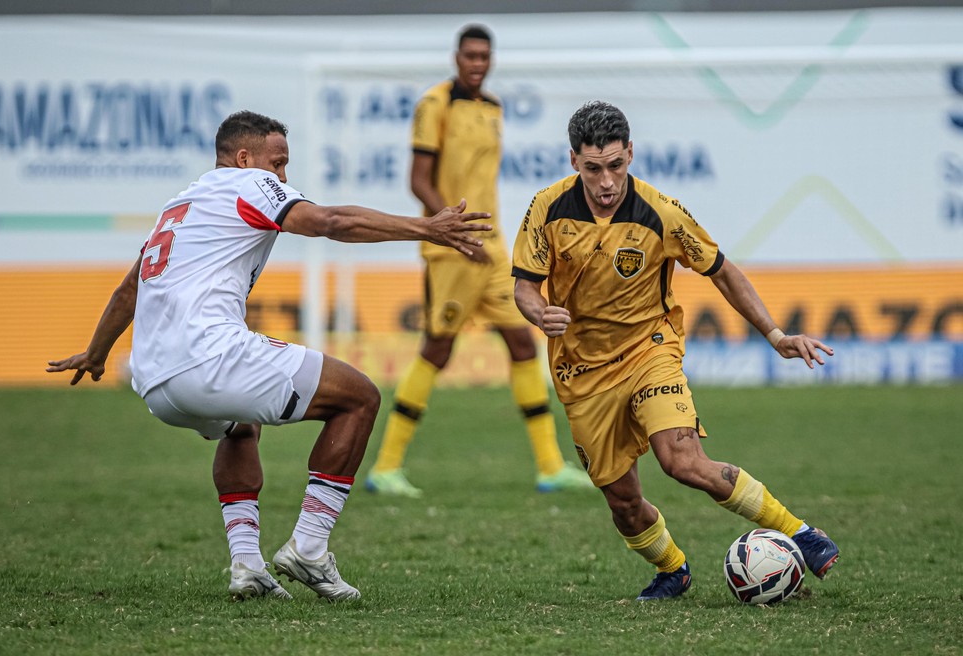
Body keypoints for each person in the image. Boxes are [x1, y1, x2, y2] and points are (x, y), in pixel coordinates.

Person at [47, 110, 491, 602]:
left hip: (155, 382)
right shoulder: (251, 184)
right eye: (278, 163)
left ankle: (247, 566)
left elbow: (131, 286)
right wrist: (427, 228)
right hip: (208, 357)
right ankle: (310, 547)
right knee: (359, 397)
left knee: (242, 423)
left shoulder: (180, 204)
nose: (282, 178)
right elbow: (330, 221)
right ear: (244, 158)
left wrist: (97, 351)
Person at [510, 101, 840, 600]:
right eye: (594, 168)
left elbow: (722, 270)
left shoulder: (661, 213)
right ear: (573, 160)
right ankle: (673, 569)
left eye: (617, 165)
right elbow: (525, 288)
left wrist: (776, 335)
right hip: (581, 372)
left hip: (650, 351)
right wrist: (537, 312)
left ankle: (800, 533)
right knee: (623, 502)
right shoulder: (547, 209)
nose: (606, 182)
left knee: (682, 460)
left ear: (631, 155)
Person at [365, 24, 591, 498]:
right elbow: (418, 180)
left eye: (484, 56)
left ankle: (550, 467)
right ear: (456, 57)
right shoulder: (435, 105)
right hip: (451, 249)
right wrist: (448, 225)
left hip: (490, 250)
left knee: (523, 345)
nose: (477, 63)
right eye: (469, 55)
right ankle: (385, 467)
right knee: (437, 349)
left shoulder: (492, 108)